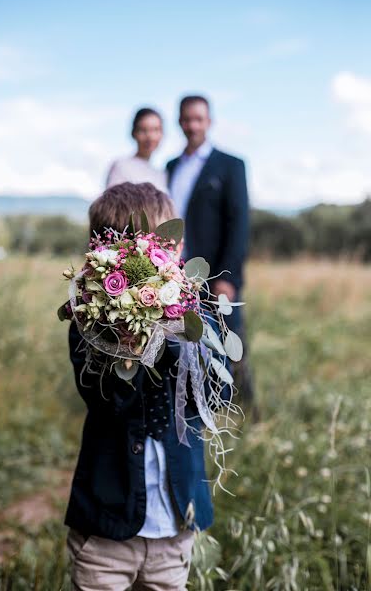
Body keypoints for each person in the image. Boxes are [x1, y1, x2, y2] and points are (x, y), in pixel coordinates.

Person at [65, 182, 214, 591]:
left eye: (175, 245)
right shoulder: (89, 323)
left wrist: (181, 326)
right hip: (107, 529)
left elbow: (218, 390)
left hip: (173, 526)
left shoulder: (195, 313)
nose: (175, 251)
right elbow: (108, 398)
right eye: (163, 244)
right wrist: (136, 336)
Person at [166, 95, 256, 413]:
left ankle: (238, 408)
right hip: (176, 274)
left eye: (198, 119)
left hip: (217, 274)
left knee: (229, 339)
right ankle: (193, 404)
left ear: (209, 121)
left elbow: (239, 225)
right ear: (179, 122)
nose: (192, 125)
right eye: (187, 119)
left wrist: (228, 277)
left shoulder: (231, 165)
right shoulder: (171, 166)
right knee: (186, 341)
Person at [106, 108, 167, 192]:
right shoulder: (121, 167)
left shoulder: (161, 175)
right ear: (134, 133)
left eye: (155, 130)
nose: (150, 136)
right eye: (143, 130)